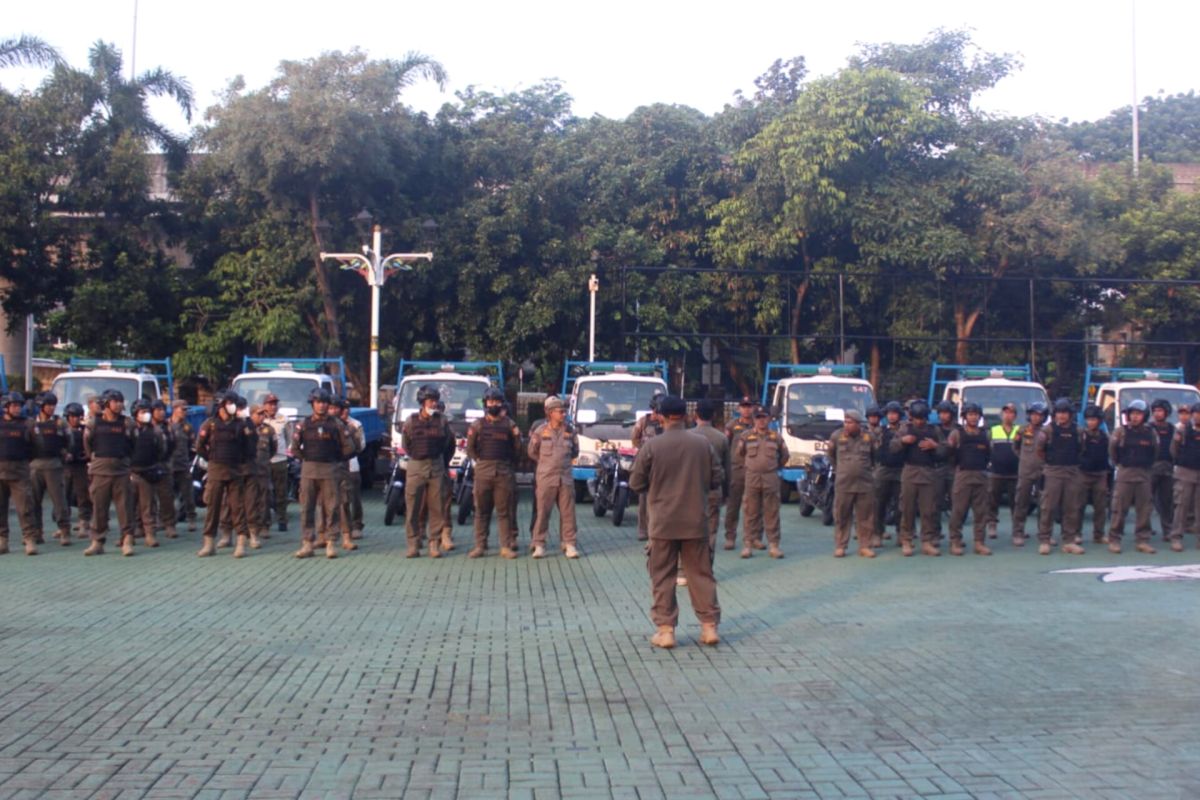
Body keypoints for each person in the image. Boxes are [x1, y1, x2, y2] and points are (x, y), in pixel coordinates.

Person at [629, 395, 722, 650]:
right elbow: (717, 478)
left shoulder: (652, 446)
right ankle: (709, 627)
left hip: (663, 523)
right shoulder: (702, 444)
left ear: (661, 416)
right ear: (686, 415)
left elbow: (636, 483)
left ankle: (666, 630)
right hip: (696, 521)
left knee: (662, 576)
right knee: (701, 575)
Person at [292, 388, 354, 559]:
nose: (321, 405)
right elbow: (295, 448)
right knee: (307, 508)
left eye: (324, 402)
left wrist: (336, 459)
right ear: (312, 404)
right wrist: (307, 458)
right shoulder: (304, 424)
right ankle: (307, 543)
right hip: (309, 470)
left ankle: (331, 542)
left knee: (332, 507)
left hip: (330, 470)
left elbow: (349, 447)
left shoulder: (337, 424)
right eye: (318, 402)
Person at [196, 392, 256, 558]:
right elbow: (200, 446)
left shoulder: (241, 425)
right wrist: (212, 459)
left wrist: (239, 461)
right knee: (213, 507)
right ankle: (209, 543)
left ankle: (241, 543)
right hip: (216, 470)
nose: (233, 406)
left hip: (235, 470)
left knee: (238, 508)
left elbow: (250, 447)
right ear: (221, 405)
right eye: (229, 403)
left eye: (233, 403)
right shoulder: (210, 424)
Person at [466, 387, 523, 558]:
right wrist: (480, 462)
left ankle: (505, 546)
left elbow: (518, 448)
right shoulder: (477, 425)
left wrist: (507, 464)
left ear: (501, 403)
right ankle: (480, 546)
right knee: (481, 511)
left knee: (504, 511)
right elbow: (470, 449)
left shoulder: (510, 425)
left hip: (503, 472)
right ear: (486, 403)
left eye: (497, 402)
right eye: (491, 402)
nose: (494, 405)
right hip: (483, 471)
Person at [401, 385, 455, 558]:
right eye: (431, 401)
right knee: (412, 507)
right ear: (423, 402)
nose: (434, 404)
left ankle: (434, 543)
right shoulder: (411, 421)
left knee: (437, 507)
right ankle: (413, 543)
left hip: (436, 466)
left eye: (435, 401)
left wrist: (440, 461)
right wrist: (419, 455)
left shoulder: (442, 421)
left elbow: (448, 444)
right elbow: (406, 444)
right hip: (416, 465)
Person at [83, 389, 137, 556]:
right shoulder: (94, 423)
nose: (119, 404)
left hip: (121, 471)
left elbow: (133, 444)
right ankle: (97, 541)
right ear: (106, 403)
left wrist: (125, 461)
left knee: (125, 508)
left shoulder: (127, 423)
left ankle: (127, 540)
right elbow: (88, 443)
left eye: (121, 401)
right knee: (99, 508)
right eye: (115, 401)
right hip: (100, 471)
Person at [891, 400, 945, 557]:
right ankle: (906, 540)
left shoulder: (934, 430)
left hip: (928, 472)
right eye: (916, 418)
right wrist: (903, 441)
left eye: (922, 418)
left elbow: (945, 451)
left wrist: (935, 446)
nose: (919, 421)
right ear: (911, 417)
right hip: (910, 471)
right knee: (907, 509)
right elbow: (892, 447)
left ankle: (927, 541)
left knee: (928, 510)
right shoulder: (905, 429)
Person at [528, 396, 579, 558]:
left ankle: (569, 543)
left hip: (565, 477)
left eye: (564, 411)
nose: (564, 414)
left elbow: (575, 451)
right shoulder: (540, 431)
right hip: (546, 478)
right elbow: (532, 452)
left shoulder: (570, 431)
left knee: (568, 513)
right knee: (542, 512)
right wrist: (546, 464)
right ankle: (539, 544)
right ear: (551, 413)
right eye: (560, 411)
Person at [734, 407, 789, 559]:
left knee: (772, 512)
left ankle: (774, 545)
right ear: (754, 419)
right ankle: (748, 545)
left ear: (769, 419)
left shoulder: (776, 437)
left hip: (770, 478)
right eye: (758, 417)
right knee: (750, 512)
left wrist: (773, 467)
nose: (761, 420)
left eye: (764, 417)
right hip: (752, 478)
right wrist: (751, 467)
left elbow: (785, 456)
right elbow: (739, 455)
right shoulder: (746, 436)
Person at [1107, 399, 1157, 554]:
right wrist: (1120, 464)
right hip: (1125, 474)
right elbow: (1113, 451)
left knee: (1144, 509)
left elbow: (1155, 452)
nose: (1135, 417)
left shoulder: (1151, 433)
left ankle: (1142, 540)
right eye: (1132, 413)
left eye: (1139, 414)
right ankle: (1114, 539)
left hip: (1143, 475)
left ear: (1145, 416)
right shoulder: (1120, 432)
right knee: (1119, 509)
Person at [1036, 398, 1086, 555]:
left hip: (1072, 472)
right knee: (1048, 507)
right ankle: (1045, 540)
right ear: (1054, 414)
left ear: (1070, 414)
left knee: (1071, 508)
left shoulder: (1078, 431)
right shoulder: (1047, 431)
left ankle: (1069, 541)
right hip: (1053, 472)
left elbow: (1081, 449)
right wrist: (1050, 464)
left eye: (1065, 412)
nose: (1062, 415)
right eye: (1059, 412)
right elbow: (1039, 450)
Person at [827, 409, 877, 558]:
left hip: (865, 483)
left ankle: (865, 546)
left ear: (858, 424)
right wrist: (842, 470)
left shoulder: (869, 437)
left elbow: (875, 457)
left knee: (866, 517)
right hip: (844, 483)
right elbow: (831, 456)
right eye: (845, 422)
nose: (846, 425)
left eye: (850, 422)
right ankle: (841, 546)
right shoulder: (837, 436)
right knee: (842, 515)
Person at [946, 402, 993, 556]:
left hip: (981, 475)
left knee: (981, 512)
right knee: (958, 511)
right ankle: (955, 541)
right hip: (963, 475)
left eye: (976, 414)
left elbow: (989, 454)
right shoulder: (956, 434)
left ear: (980, 416)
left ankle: (979, 542)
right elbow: (949, 453)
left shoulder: (986, 434)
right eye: (970, 414)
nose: (973, 417)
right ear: (965, 416)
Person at [690, 399, 729, 559]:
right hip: (713, 490)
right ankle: (707, 562)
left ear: (695, 415)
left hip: (690, 491)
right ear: (713, 415)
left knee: (691, 528)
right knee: (711, 529)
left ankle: (690, 563)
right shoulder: (721, 438)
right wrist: (726, 493)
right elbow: (727, 468)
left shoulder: (688, 436)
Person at [30, 391, 70, 546]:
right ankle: (36, 532)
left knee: (59, 501)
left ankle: (64, 530)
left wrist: (65, 453)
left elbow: (69, 441)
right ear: (41, 406)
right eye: (48, 405)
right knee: (34, 501)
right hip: (35, 465)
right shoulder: (31, 424)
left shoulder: (60, 423)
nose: (52, 408)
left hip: (54, 465)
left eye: (53, 405)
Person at [0, 392, 38, 555]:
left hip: (20, 470)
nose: (17, 409)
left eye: (19, 406)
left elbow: (36, 446)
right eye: (14, 405)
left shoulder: (28, 424)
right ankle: (2, 540)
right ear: (6, 407)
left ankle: (29, 539)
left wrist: (25, 461)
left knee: (25, 507)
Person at [127, 399, 167, 549]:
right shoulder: (128, 430)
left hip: (147, 472)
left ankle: (150, 534)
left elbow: (162, 449)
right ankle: (128, 535)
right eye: (143, 412)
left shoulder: (155, 431)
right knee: (128, 506)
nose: (147, 415)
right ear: (135, 414)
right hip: (130, 472)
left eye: (148, 412)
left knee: (148, 506)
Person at [722, 396, 756, 549]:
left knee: (754, 506)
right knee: (733, 505)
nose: (746, 409)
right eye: (744, 406)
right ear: (739, 408)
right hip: (736, 470)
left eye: (749, 406)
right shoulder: (731, 426)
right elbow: (725, 446)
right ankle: (730, 536)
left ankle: (754, 537)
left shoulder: (758, 425)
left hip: (754, 470)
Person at [1012, 401, 1047, 547]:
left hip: (1043, 472)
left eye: (1039, 415)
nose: (1036, 417)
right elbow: (1015, 448)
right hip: (1025, 472)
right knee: (1021, 502)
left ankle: (1044, 534)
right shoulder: (1022, 430)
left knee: (1044, 504)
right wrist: (1024, 459)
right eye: (1033, 414)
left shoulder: (1047, 432)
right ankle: (1018, 533)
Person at [631, 392, 665, 542]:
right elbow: (635, 438)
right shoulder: (643, 421)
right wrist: (644, 451)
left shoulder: (666, 424)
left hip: (662, 464)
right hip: (647, 463)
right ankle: (643, 529)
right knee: (643, 498)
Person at [874, 401, 906, 548]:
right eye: (889, 413)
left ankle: (901, 534)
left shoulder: (905, 430)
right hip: (883, 470)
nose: (892, 416)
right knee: (879, 504)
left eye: (895, 413)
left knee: (901, 505)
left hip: (901, 470)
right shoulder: (879, 431)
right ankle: (877, 533)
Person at [987, 402, 1020, 539]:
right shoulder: (993, 430)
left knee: (1016, 502)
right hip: (996, 472)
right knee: (992, 500)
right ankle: (992, 524)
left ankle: (1017, 529)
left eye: (1011, 412)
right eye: (1006, 412)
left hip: (1015, 473)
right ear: (1001, 415)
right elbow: (987, 449)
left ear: (1015, 416)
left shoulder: (1020, 431)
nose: (1008, 415)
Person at [1079, 404, 1111, 545]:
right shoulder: (1081, 435)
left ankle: (1099, 535)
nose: (1091, 422)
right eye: (1088, 419)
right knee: (1079, 505)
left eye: (1094, 419)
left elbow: (1111, 453)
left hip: (1100, 475)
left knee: (1100, 507)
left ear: (1099, 421)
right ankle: (1076, 534)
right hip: (1083, 474)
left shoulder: (1105, 437)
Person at [1170, 401, 1200, 551]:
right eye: (1196, 413)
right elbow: (1174, 450)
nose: (1198, 416)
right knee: (1181, 506)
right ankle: (1176, 537)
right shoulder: (1182, 430)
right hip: (1185, 472)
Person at [246, 403, 276, 549]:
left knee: (265, 499)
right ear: (251, 415)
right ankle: (250, 527)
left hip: (263, 470)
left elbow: (273, 449)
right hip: (249, 472)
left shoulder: (268, 430)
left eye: (263, 414)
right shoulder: (245, 429)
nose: (262, 416)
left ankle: (264, 526)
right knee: (250, 501)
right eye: (259, 414)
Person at [260, 393, 291, 533]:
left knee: (281, 493)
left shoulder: (283, 419)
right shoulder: (260, 419)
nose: (273, 406)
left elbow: (289, 439)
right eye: (270, 404)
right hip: (264, 461)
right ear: (264, 405)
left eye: (275, 404)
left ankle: (282, 520)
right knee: (264, 494)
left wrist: (284, 451)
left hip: (280, 460)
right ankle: (265, 524)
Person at [336, 399, 365, 540]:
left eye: (348, 408)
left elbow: (361, 445)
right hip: (335, 467)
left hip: (352, 465)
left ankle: (357, 525)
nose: (346, 411)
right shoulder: (333, 424)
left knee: (354, 497)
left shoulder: (355, 424)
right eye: (343, 408)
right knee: (339, 499)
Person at [63, 403, 91, 545]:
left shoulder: (84, 430)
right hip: (65, 467)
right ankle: (64, 525)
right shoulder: (62, 430)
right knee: (63, 496)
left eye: (77, 416)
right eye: (72, 416)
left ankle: (84, 523)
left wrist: (86, 456)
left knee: (83, 495)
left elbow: (91, 446)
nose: (75, 419)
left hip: (80, 466)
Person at [149, 400, 178, 539]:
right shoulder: (145, 426)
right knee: (146, 499)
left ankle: (169, 524)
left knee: (166, 496)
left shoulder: (168, 427)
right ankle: (147, 526)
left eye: (163, 410)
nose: (161, 413)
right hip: (147, 465)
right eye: (158, 410)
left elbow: (174, 444)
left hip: (164, 464)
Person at [1149, 398, 1175, 541]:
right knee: (1146, 500)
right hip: (1151, 467)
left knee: (1167, 501)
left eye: (1160, 410)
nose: (1157, 413)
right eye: (1154, 411)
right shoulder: (1148, 428)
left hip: (1167, 468)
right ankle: (1145, 529)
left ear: (1166, 412)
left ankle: (1168, 530)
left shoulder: (1172, 429)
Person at [169, 400, 197, 533]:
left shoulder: (187, 427)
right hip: (169, 465)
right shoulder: (166, 425)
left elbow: (192, 445)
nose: (184, 412)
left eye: (186, 410)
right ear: (175, 409)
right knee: (167, 496)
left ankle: (191, 518)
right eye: (182, 409)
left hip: (183, 465)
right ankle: (169, 521)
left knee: (188, 495)